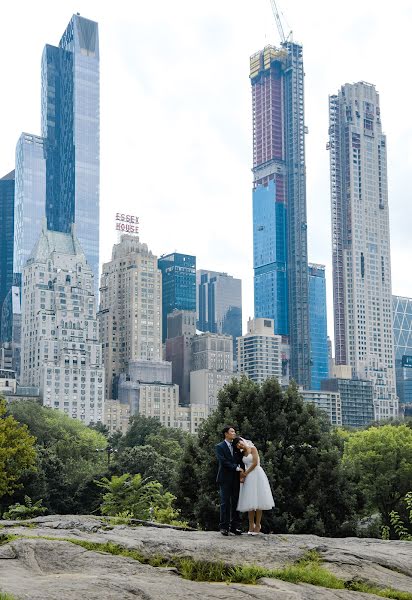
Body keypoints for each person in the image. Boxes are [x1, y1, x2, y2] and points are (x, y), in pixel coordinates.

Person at [234, 436, 274, 535]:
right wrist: (242, 475)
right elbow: (241, 465)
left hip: (256, 475)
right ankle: (251, 525)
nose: (239, 445)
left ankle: (258, 525)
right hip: (248, 478)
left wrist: (246, 473)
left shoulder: (253, 449)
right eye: (237, 445)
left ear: (242, 441)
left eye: (239, 442)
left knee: (258, 501)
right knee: (250, 501)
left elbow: (255, 463)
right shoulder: (242, 453)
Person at [215, 425, 244, 536]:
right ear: (226, 434)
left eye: (234, 431)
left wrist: (242, 473)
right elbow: (223, 462)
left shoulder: (236, 446)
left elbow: (241, 460)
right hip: (225, 479)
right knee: (225, 503)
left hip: (236, 479)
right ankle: (224, 527)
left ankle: (234, 527)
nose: (234, 433)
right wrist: (236, 468)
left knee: (236, 503)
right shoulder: (219, 447)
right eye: (232, 431)